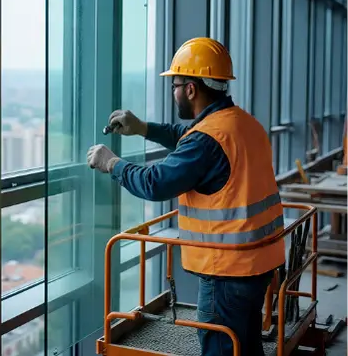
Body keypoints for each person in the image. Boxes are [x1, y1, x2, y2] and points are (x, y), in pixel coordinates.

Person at [87, 37, 285, 356]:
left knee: (222, 347)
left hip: (227, 271)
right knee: (245, 346)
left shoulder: (208, 140)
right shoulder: (244, 125)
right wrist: (142, 127)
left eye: (175, 84)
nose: (174, 92)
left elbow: (156, 183)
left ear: (190, 89)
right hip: (259, 262)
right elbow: (191, 136)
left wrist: (113, 164)